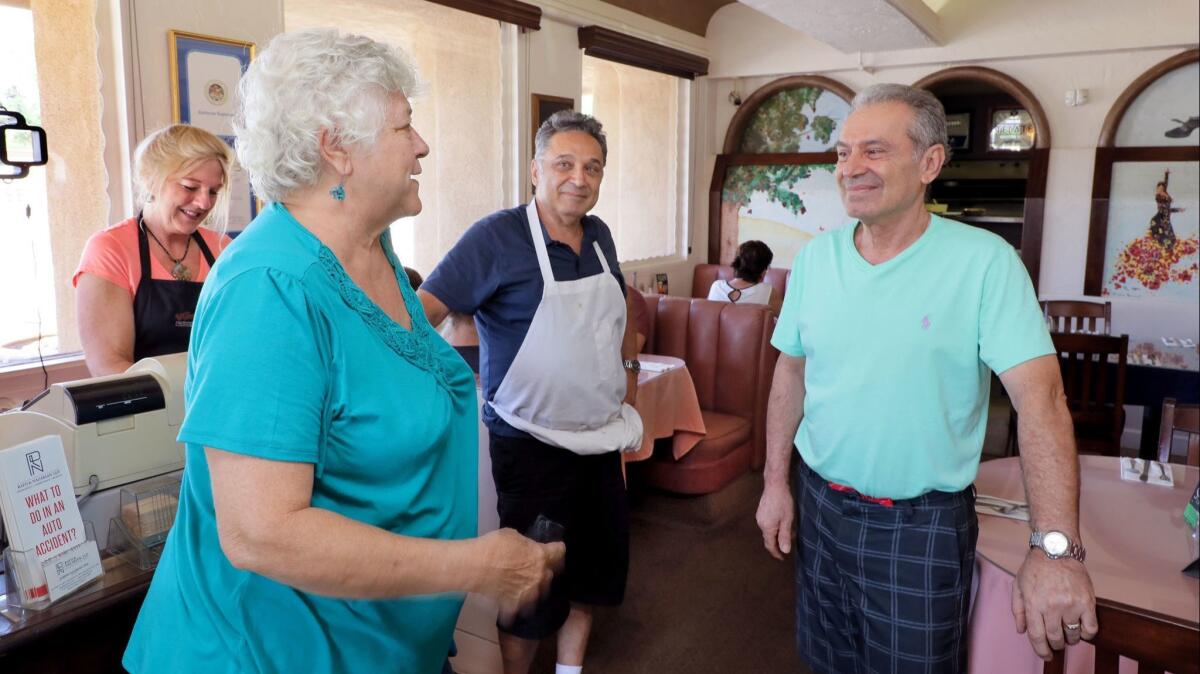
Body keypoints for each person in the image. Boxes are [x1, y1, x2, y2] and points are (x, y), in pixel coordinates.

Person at [122, 29, 563, 674]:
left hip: (379, 638)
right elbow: (262, 532)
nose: (422, 144)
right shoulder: (269, 288)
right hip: (269, 653)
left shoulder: (371, 249)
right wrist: (479, 564)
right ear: (337, 148)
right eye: (405, 125)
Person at [755, 83, 1096, 674]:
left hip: (922, 527)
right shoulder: (816, 259)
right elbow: (791, 371)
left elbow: (1042, 403)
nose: (851, 168)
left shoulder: (985, 262)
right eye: (842, 152)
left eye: (874, 151)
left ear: (930, 163)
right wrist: (774, 484)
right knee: (825, 660)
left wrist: (1054, 549)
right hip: (821, 507)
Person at [418, 110, 642, 674]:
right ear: (535, 169)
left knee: (591, 575)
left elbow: (616, 324)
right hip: (530, 444)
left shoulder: (599, 236)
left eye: (593, 167)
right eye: (564, 163)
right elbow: (424, 315)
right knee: (530, 583)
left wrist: (627, 377)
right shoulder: (497, 237)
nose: (579, 178)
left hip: (599, 439)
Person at [74, 124, 234, 375]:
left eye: (213, 191)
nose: (204, 202)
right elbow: (110, 368)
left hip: (213, 406)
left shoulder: (222, 249)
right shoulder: (111, 250)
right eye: (190, 187)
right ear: (151, 180)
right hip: (144, 409)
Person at [706, 239, 782, 314]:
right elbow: (786, 319)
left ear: (736, 263)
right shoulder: (767, 291)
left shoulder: (716, 286)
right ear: (763, 269)